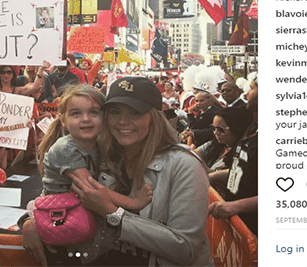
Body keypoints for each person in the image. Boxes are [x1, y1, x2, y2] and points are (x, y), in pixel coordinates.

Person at [23, 76, 214, 267]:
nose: (123, 121)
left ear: (154, 117)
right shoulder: (103, 153)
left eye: (134, 112)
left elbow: (186, 249)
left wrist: (112, 213)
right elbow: (58, 193)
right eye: (115, 112)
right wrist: (30, 221)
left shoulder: (184, 166)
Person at [209, 73, 258, 236]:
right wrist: (214, 176)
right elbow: (246, 172)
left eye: (251, 88)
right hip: (239, 230)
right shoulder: (254, 126)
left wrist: (236, 206)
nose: (246, 94)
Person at [195, 107, 253, 172]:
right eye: (213, 128)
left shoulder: (242, 154)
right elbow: (192, 154)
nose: (215, 132)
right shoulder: (214, 144)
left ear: (235, 129)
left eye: (220, 129)